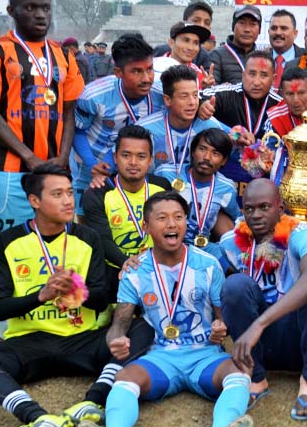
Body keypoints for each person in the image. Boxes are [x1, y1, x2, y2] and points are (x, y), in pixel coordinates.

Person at [0, 164, 153, 427]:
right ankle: (35, 416)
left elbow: (99, 301)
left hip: (82, 339)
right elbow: (0, 309)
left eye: (70, 193)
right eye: (58, 194)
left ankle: (93, 400)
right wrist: (42, 296)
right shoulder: (7, 242)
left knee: (142, 327)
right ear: (34, 201)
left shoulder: (87, 237)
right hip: (30, 343)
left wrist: (77, 290)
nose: (68, 201)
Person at [76, 191, 253, 427]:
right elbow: (120, 324)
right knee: (125, 377)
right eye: (162, 218)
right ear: (146, 226)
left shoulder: (208, 264)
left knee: (239, 374)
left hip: (205, 356)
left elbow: (222, 317)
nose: (172, 224)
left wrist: (221, 327)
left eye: (178, 217)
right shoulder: (135, 271)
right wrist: (115, 340)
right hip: (160, 358)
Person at [0, 0, 84, 340]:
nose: (40, 14)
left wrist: (62, 158)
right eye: (30, 8)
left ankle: (58, 314)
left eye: (45, 8)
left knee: (59, 241)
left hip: (54, 170)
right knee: (2, 245)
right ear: (12, 11)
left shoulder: (64, 54)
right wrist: (28, 157)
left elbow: (69, 111)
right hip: (11, 171)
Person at [217, 179, 307, 420]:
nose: (256, 215)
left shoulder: (301, 233)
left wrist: (259, 325)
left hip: (297, 339)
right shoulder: (231, 241)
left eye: (264, 207)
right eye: (249, 209)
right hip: (257, 347)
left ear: (280, 209)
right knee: (235, 286)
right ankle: (257, 378)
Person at [71, 33, 160, 218]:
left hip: (134, 168)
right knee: (88, 219)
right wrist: (92, 163)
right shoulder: (94, 95)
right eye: (136, 71)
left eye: (150, 69)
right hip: (93, 165)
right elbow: (77, 131)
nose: (146, 78)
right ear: (118, 73)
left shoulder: (160, 94)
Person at [80, 125, 170, 297]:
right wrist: (128, 264)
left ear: (151, 159)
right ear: (115, 157)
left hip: (156, 269)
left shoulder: (162, 187)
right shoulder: (96, 193)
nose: (133, 162)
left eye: (141, 156)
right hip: (114, 272)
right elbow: (102, 240)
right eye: (126, 155)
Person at [137, 64, 229, 185]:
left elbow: (236, 138)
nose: (192, 102)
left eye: (195, 95)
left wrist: (244, 137)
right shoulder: (145, 130)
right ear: (167, 100)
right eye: (184, 96)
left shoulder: (210, 125)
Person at [176, 127, 239, 259]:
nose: (206, 157)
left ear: (224, 160)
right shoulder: (168, 173)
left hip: (203, 246)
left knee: (231, 262)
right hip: (169, 242)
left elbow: (235, 220)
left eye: (215, 154)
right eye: (202, 149)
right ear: (193, 151)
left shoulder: (226, 188)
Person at [199, 50, 281, 140]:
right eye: (252, 74)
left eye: (264, 75)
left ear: (274, 79)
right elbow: (198, 97)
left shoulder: (280, 105)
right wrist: (201, 104)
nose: (257, 82)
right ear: (243, 75)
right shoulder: (227, 94)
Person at [209, 5, 261, 85]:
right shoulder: (216, 55)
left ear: (259, 30)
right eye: (242, 23)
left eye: (252, 24)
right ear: (233, 26)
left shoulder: (263, 58)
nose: (247, 29)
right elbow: (210, 88)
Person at [153, 21, 212, 87]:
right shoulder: (152, 68)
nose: (190, 48)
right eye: (186, 40)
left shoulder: (200, 76)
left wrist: (205, 89)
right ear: (171, 43)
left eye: (196, 43)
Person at [268, 9, 304, 88]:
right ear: (268, 32)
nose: (278, 33)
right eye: (274, 28)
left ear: (295, 33)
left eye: (284, 28)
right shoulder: (261, 58)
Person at [183, 0, 214, 70]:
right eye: (196, 21)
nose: (202, 26)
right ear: (184, 22)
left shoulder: (205, 58)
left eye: (207, 23)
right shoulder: (163, 51)